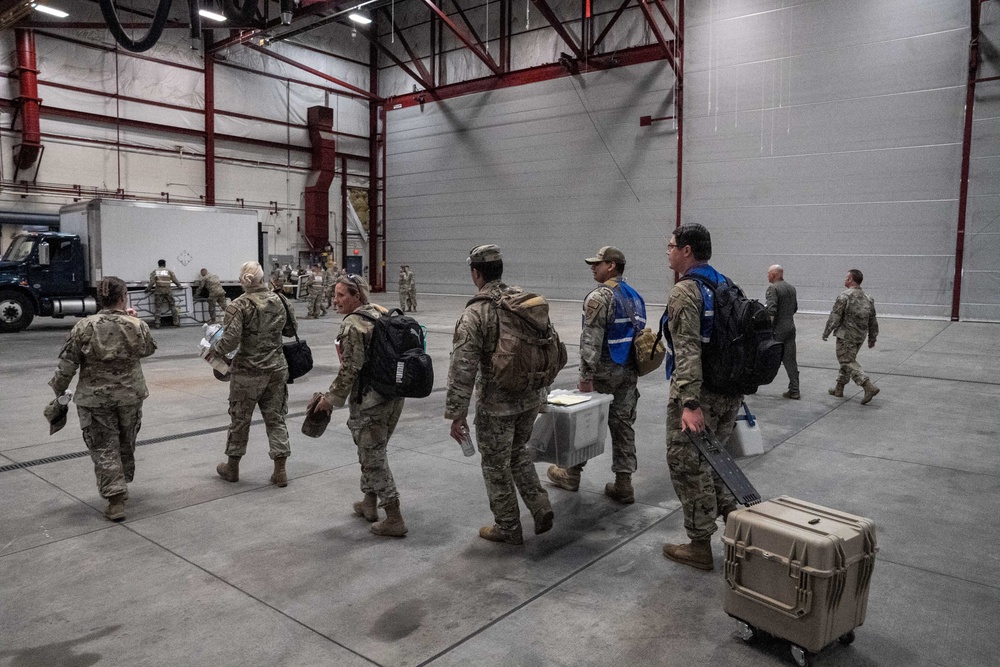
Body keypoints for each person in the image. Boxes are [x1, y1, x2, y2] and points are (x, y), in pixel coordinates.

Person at [445, 244, 554, 545]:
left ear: (475, 273)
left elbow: (463, 368)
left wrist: (457, 413)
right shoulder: (524, 302)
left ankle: (507, 526)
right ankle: (540, 505)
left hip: (497, 405)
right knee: (519, 453)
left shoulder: (476, 312)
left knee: (495, 465)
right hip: (530, 397)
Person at [662, 224, 741, 572]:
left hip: (700, 396)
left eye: (671, 246)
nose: (668, 252)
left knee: (687, 466)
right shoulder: (725, 284)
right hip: (729, 392)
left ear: (688, 251)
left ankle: (699, 545)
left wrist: (690, 404)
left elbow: (687, 351)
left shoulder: (687, 291)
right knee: (715, 462)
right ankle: (740, 528)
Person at [48, 276, 157, 521]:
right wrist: (133, 320)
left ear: (101, 298)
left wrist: (59, 392)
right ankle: (121, 482)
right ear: (123, 297)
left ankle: (115, 498)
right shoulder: (136, 325)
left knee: (104, 447)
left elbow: (67, 365)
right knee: (126, 442)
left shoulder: (84, 327)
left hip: (94, 400)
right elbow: (148, 349)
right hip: (130, 396)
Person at [312, 275, 408, 537]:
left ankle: (394, 517)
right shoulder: (381, 313)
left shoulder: (353, 324)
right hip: (393, 396)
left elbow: (350, 369)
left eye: (342, 295)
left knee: (373, 457)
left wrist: (330, 399)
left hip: (371, 401)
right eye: (335, 294)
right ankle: (369, 503)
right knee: (373, 449)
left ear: (357, 296)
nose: (336, 300)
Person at [547, 246, 642, 504]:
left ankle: (571, 474)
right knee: (623, 426)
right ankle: (624, 484)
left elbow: (591, 340)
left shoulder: (599, 297)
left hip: (603, 372)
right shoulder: (634, 296)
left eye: (597, 263)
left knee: (586, 424)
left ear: (611, 265)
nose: (593, 267)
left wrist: (585, 376)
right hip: (628, 371)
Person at [213, 261, 297, 488]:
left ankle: (232, 467)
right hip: (276, 369)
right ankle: (280, 470)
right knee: (276, 418)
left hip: (248, 372)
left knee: (240, 419)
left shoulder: (239, 306)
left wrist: (214, 352)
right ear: (263, 278)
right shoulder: (280, 300)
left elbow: (230, 340)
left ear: (243, 280)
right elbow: (291, 330)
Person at [823, 269, 880, 404]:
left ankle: (867, 386)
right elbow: (873, 319)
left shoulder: (844, 296)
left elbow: (835, 317)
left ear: (850, 280)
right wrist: (872, 337)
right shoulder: (868, 297)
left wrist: (826, 332)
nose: (844, 279)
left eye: (846, 277)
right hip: (860, 336)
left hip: (846, 335)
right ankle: (839, 388)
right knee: (848, 360)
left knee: (846, 361)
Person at [765, 264, 800, 399]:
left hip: (778, 329)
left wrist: (767, 329)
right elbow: (795, 308)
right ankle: (795, 389)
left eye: (768, 274)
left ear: (773, 275)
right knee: (790, 360)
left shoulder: (772, 288)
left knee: (766, 356)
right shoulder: (791, 288)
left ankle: (752, 384)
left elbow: (771, 311)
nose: (767, 276)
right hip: (790, 327)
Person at [146, 259, 182, 328]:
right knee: (172, 306)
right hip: (168, 290)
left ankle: (157, 323)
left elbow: (152, 282)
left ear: (158, 264)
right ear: (165, 264)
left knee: (158, 307)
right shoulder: (169, 271)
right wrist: (179, 286)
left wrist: (148, 289)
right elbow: (174, 279)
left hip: (159, 291)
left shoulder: (155, 271)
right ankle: (176, 322)